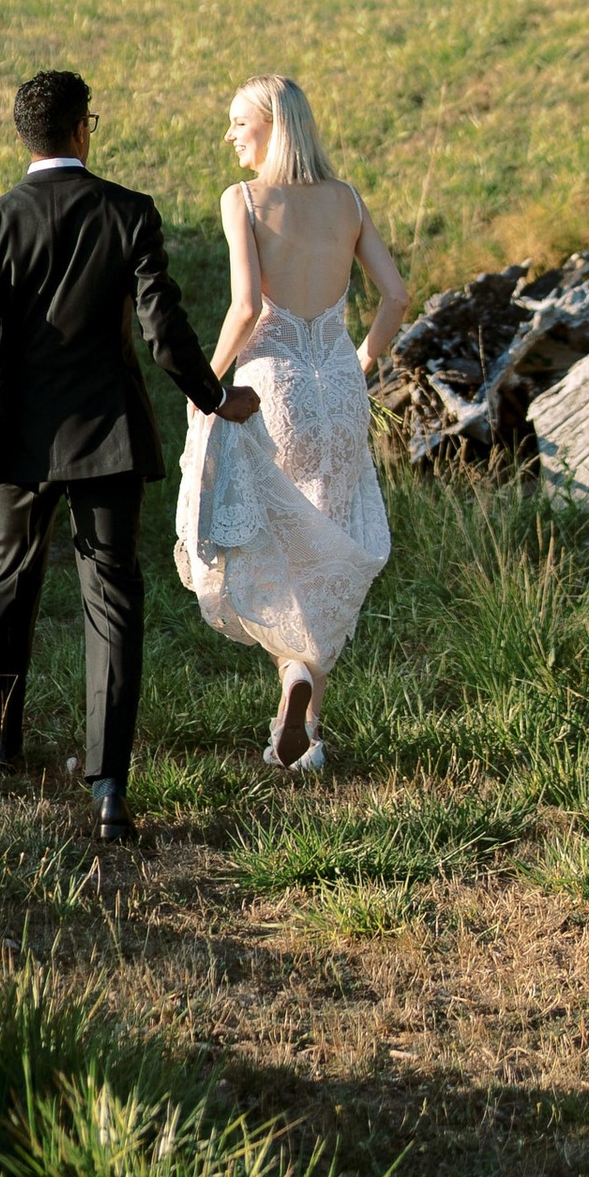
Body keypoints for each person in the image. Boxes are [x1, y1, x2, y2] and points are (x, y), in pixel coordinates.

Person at [0, 67, 259, 849]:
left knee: (13, 579)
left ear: (27, 135)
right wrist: (215, 395)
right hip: (111, 437)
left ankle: (3, 735)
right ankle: (110, 786)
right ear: (85, 127)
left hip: (18, 439)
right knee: (112, 601)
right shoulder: (130, 213)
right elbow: (164, 333)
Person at [175, 75, 409, 775]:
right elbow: (395, 296)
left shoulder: (244, 201)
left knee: (278, 547)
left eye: (238, 122)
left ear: (273, 126)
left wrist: (206, 381)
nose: (230, 135)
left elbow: (246, 308)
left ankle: (293, 682)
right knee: (326, 540)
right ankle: (303, 709)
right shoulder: (348, 200)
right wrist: (361, 359)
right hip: (336, 389)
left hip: (271, 389)